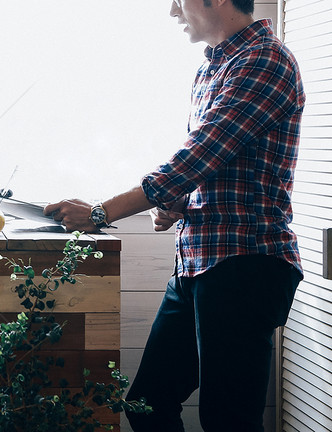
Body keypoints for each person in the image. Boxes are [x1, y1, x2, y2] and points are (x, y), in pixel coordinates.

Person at [43, 0, 304, 430]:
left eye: (179, 0)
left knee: (229, 420)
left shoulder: (265, 61)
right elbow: (217, 170)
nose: (172, 11)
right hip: (197, 265)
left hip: (246, 264)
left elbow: (194, 159)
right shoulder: (213, 68)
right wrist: (178, 203)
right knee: (147, 404)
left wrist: (98, 212)